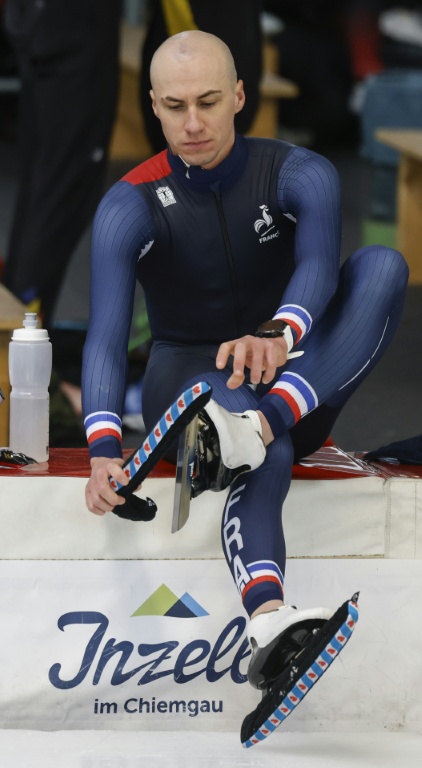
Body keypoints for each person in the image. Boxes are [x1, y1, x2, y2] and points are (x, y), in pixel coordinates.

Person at [82, 30, 408, 742]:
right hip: (190, 380)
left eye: (207, 102)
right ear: (155, 108)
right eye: (174, 107)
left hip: (295, 371)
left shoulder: (301, 172)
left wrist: (279, 336)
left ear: (239, 97)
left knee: (382, 265)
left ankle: (259, 426)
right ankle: (271, 622)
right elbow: (107, 334)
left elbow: (320, 270)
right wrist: (103, 441)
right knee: (255, 435)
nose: (193, 124)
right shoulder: (129, 205)